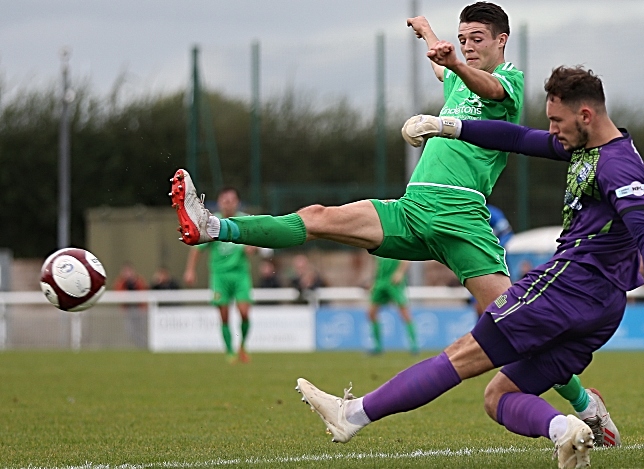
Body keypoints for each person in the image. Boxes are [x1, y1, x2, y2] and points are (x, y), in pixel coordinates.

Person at [169, 2, 611, 444]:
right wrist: (428, 35)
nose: (468, 47)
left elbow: (489, 88)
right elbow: (449, 69)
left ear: (501, 41)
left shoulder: (507, 81)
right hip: (413, 208)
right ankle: (214, 227)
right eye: (463, 39)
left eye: (478, 38)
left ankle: (585, 406)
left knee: (523, 326)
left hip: (461, 218)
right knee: (320, 217)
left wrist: (453, 59)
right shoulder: (457, 73)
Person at [295, 66, 644, 468]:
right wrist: (447, 126)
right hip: (602, 308)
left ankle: (353, 415)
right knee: (498, 397)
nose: (552, 129)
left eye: (556, 120)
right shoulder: (585, 146)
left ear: (585, 115)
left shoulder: (618, 165)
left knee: (459, 356)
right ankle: (567, 431)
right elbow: (518, 138)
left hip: (565, 287)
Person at [183, 187, 256, 364]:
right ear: (219, 202)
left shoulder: (245, 220)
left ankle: (243, 346)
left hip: (240, 275)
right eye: (225, 200)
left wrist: (252, 248)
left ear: (237, 202)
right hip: (220, 275)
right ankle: (230, 351)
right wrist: (190, 270)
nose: (228, 203)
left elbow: (254, 244)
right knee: (224, 315)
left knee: (245, 313)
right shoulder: (210, 222)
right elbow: (198, 249)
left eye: (231, 200)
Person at [367, 258, 418, 355]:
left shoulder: (394, 244)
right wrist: (374, 280)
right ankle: (377, 346)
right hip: (381, 281)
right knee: (371, 313)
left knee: (404, 312)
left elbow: (406, 258)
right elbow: (377, 264)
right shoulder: (376, 249)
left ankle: (414, 345)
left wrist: (400, 272)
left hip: (394, 281)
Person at [113, 262, 148, 348]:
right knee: (130, 331)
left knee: (141, 329)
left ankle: (145, 346)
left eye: (128, 271)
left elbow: (144, 293)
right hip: (128, 310)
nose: (127, 274)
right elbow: (118, 293)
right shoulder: (121, 283)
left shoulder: (139, 281)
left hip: (139, 310)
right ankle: (140, 346)